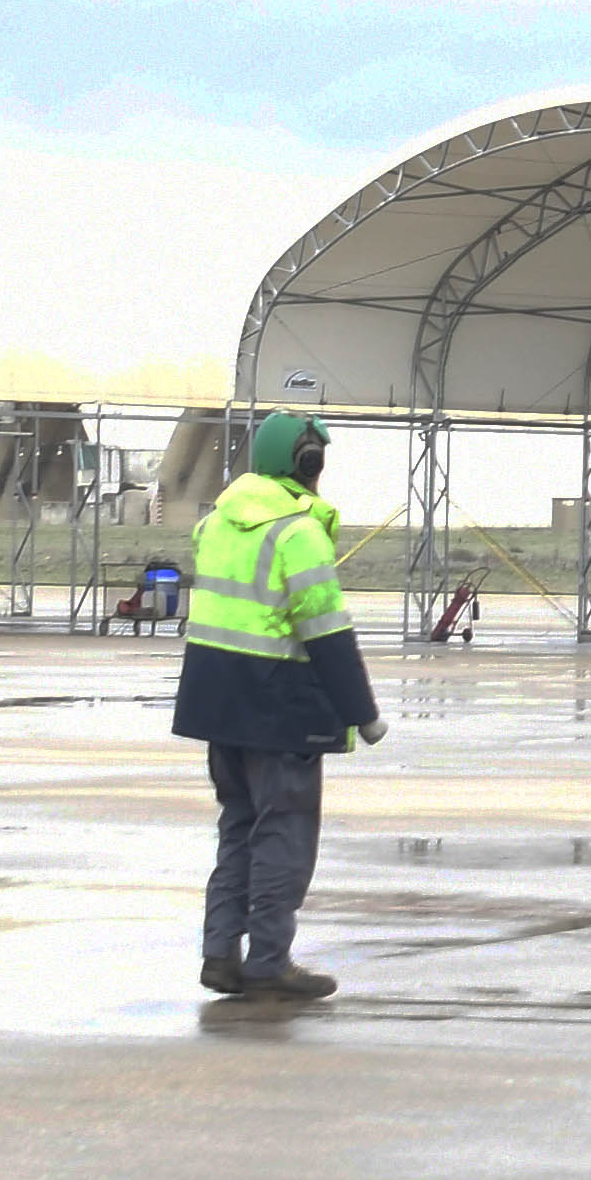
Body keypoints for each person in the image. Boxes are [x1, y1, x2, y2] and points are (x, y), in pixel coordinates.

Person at [172, 409, 385, 1000]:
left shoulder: (216, 525)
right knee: (284, 835)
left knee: (238, 829)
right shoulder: (298, 533)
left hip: (217, 705)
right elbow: (326, 632)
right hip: (278, 708)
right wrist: (362, 714)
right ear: (307, 461)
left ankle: (221, 952)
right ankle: (269, 961)